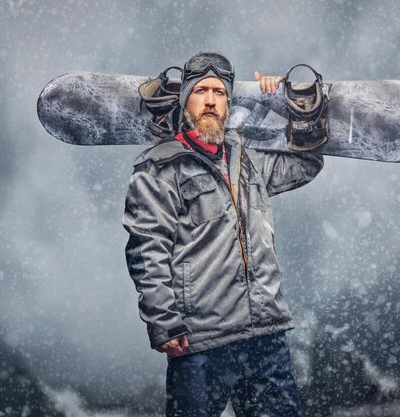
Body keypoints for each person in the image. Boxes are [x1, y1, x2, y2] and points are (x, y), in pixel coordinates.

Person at [123, 52, 324, 417]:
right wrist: (163, 323)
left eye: (219, 92)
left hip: (265, 334)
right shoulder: (159, 168)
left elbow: (307, 163)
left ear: (229, 103)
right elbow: (145, 250)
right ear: (186, 101)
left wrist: (280, 105)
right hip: (201, 341)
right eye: (201, 91)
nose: (211, 100)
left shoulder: (247, 158)